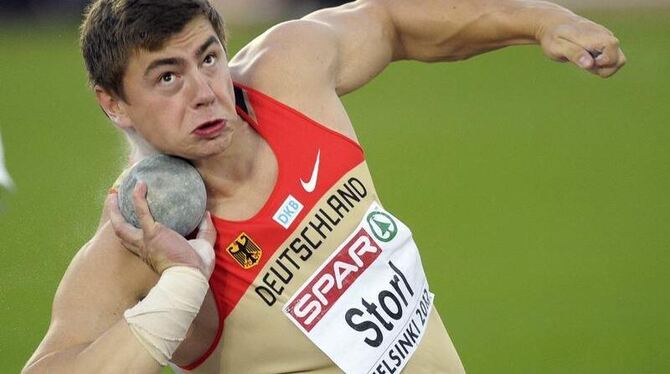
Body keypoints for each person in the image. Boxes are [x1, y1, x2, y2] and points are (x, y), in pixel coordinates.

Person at [23, 0, 625, 373]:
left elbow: (388, 22)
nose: (205, 91)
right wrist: (179, 288)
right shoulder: (142, 238)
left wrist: (543, 20)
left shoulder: (289, 75)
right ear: (113, 103)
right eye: (167, 77)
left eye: (208, 58)